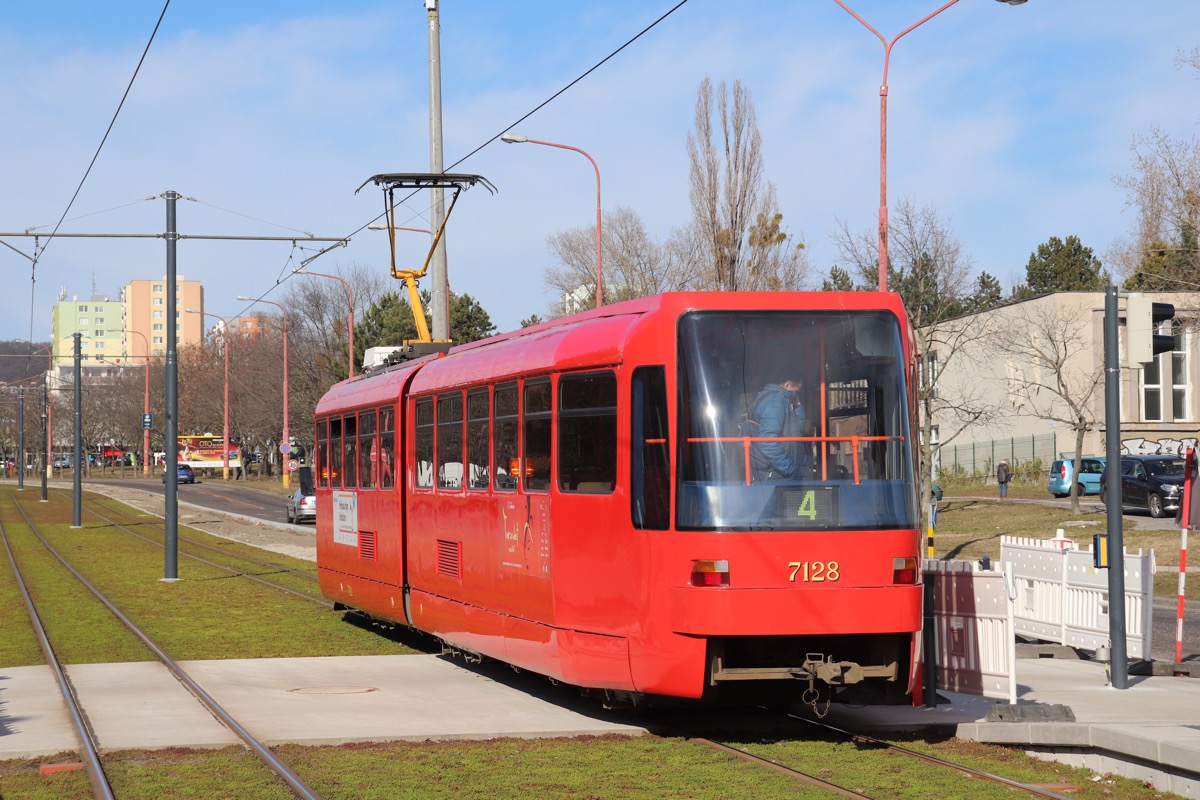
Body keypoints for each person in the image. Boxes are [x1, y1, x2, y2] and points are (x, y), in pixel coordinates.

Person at [748, 373, 811, 481]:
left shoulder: (783, 400)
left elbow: (798, 430)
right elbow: (767, 441)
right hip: (780, 475)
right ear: (788, 384)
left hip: (785, 472)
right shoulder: (775, 401)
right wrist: (789, 469)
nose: (797, 394)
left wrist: (798, 406)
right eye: (797, 389)